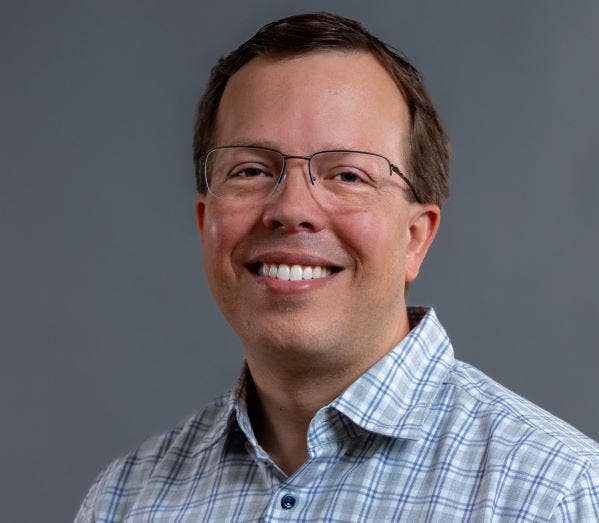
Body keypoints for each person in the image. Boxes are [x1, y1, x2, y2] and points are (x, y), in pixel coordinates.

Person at [75, 12, 599, 522]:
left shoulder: (556, 496)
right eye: (251, 170)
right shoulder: (125, 501)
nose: (291, 210)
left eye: (347, 175)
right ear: (205, 222)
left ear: (415, 238)